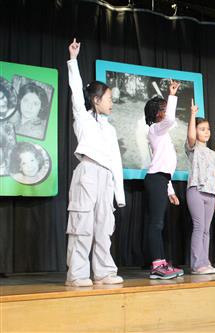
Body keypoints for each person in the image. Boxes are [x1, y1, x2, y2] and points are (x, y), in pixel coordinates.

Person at [65, 38, 125, 287]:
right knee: (82, 225)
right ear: (97, 100)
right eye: (108, 98)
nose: (112, 102)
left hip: (105, 178)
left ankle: (103, 271)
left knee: (103, 227)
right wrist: (73, 60)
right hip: (87, 173)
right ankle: (77, 274)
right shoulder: (83, 117)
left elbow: (116, 163)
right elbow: (76, 90)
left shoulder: (109, 130)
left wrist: (118, 194)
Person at [143, 81, 184, 280]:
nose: (166, 112)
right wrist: (172, 95)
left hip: (161, 179)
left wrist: (170, 191)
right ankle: (157, 265)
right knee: (156, 224)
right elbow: (170, 120)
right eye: (164, 109)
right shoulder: (155, 130)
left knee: (158, 224)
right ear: (156, 114)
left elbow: (163, 167)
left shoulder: (161, 133)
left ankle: (161, 264)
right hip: (156, 179)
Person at [186, 99, 215, 275]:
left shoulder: (213, 154)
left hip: (211, 194)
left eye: (207, 129)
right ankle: (196, 264)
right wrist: (192, 114)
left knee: (207, 230)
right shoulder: (193, 148)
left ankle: (205, 262)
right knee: (199, 227)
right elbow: (191, 137)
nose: (206, 132)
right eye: (202, 129)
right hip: (196, 191)